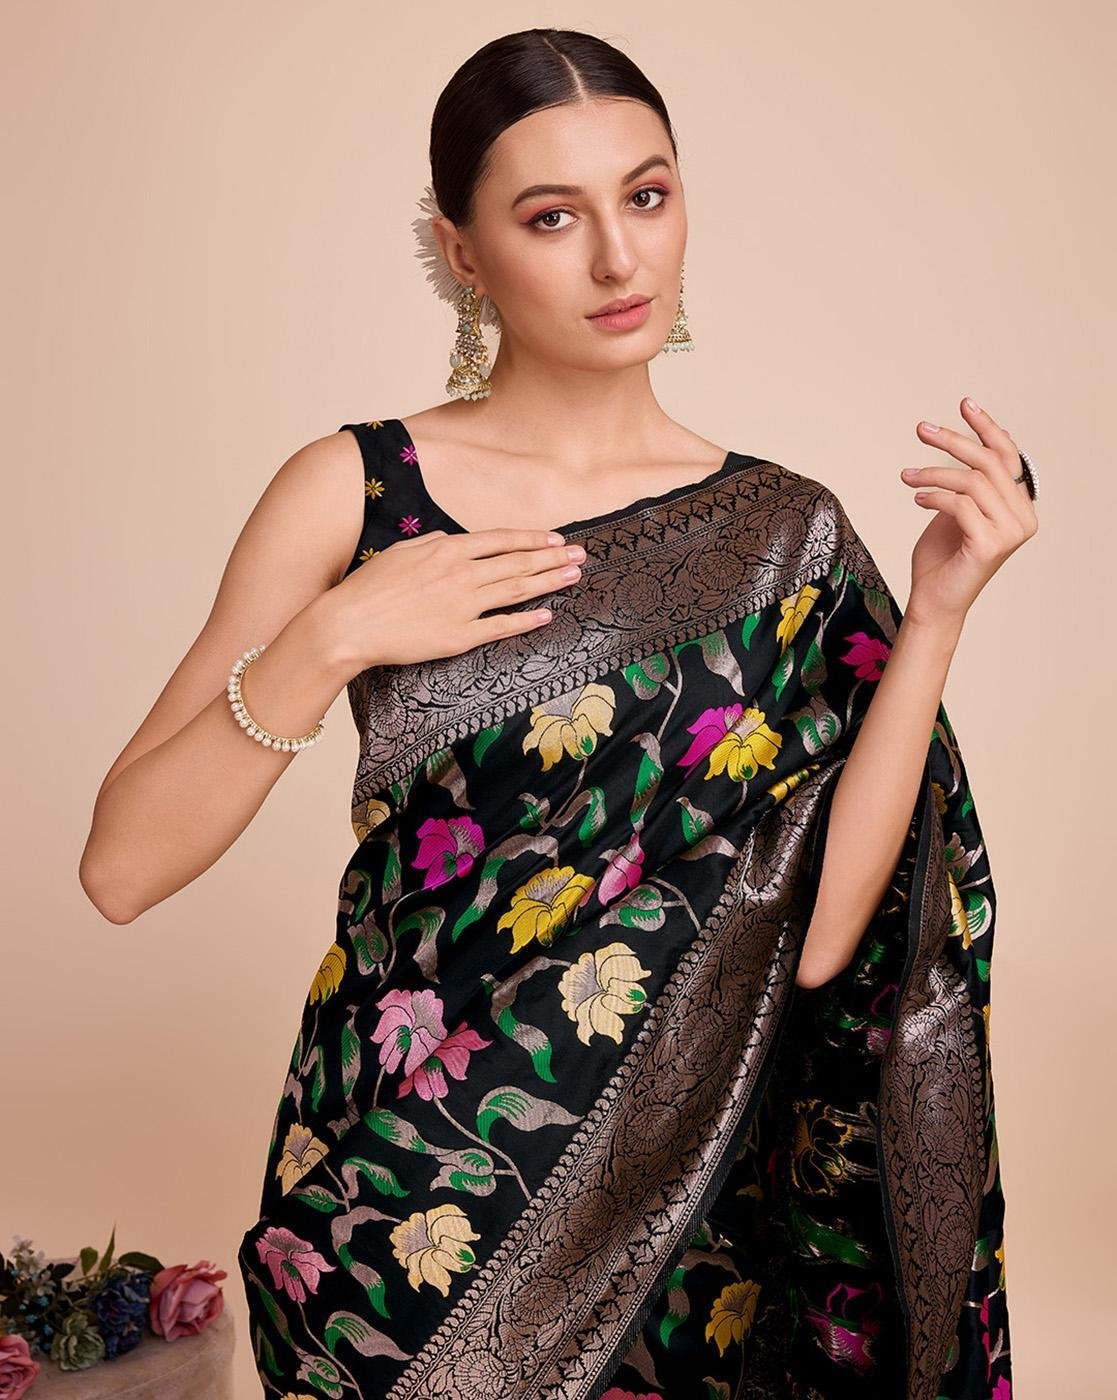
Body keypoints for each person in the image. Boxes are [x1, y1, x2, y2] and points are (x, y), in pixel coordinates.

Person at [80, 26, 1032, 1399]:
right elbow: (120, 869)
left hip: (676, 1237)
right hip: (390, 1214)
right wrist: (334, 634)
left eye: (646, 196)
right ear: (460, 252)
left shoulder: (785, 543)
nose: (618, 257)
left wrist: (933, 617)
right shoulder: (356, 491)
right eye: (551, 216)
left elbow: (828, 939)